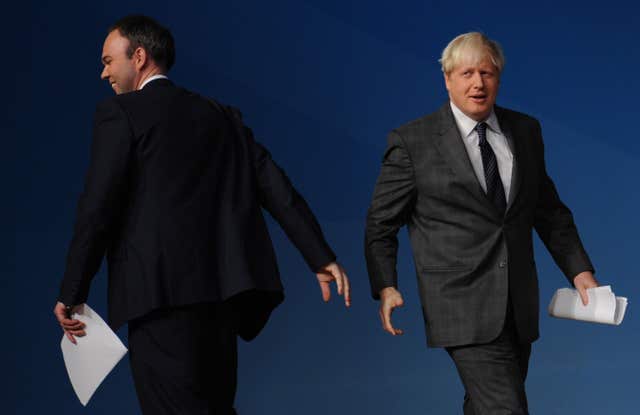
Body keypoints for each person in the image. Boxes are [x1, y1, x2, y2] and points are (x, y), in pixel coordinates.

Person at [53, 15, 350, 415]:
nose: (104, 72)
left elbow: (97, 209)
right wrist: (320, 256)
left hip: (158, 299)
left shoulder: (119, 114)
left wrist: (73, 293)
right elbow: (275, 186)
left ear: (139, 57)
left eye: (109, 60)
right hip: (223, 300)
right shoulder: (222, 116)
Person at [364, 32, 598, 414]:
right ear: (447, 79)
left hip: (518, 303)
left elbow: (549, 210)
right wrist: (386, 285)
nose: (478, 83)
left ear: (498, 78)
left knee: (485, 407)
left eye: (487, 73)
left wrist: (580, 271)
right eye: (467, 73)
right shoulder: (413, 141)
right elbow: (380, 223)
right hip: (460, 304)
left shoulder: (525, 131)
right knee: (505, 409)